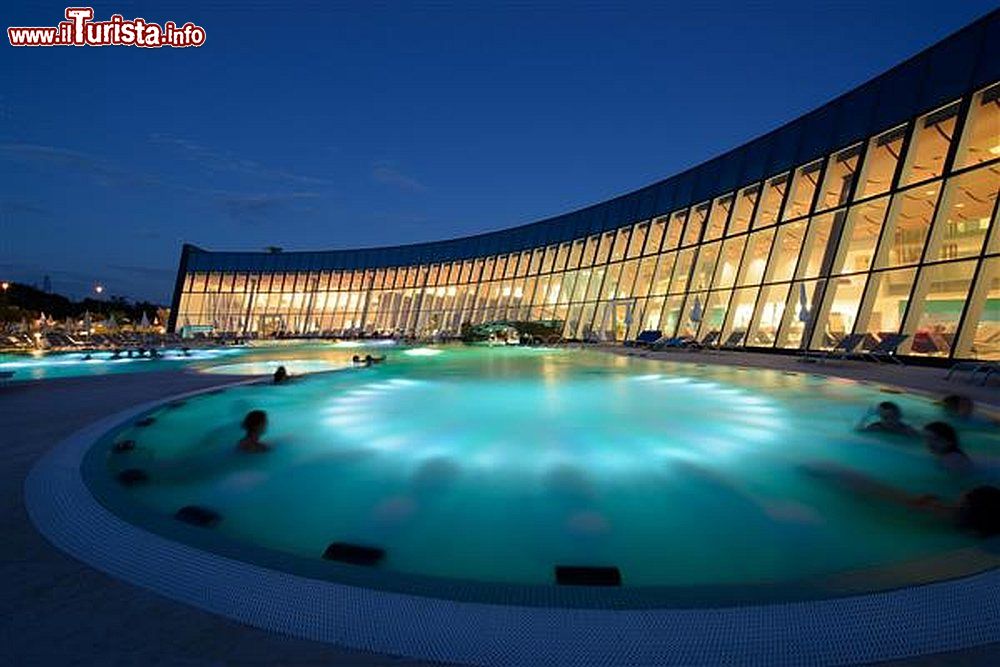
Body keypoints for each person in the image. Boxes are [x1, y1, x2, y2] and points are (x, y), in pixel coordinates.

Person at [803, 464, 1000, 537]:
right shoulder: (960, 519)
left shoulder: (947, 513)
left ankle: (814, 471)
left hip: (888, 502)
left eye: (966, 493)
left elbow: (919, 509)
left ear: (968, 504)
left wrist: (926, 503)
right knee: (838, 475)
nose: (963, 492)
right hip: (894, 502)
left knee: (838, 475)